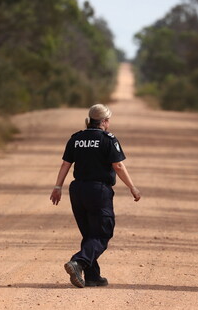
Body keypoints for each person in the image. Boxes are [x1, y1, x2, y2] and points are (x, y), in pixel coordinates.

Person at [50, 103, 141, 288]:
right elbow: (118, 166)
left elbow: (65, 165)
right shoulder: (108, 139)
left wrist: (58, 186)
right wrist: (132, 187)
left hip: (77, 191)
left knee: (90, 233)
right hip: (98, 191)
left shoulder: (76, 138)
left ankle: (93, 277)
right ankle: (78, 262)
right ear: (105, 121)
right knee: (102, 232)